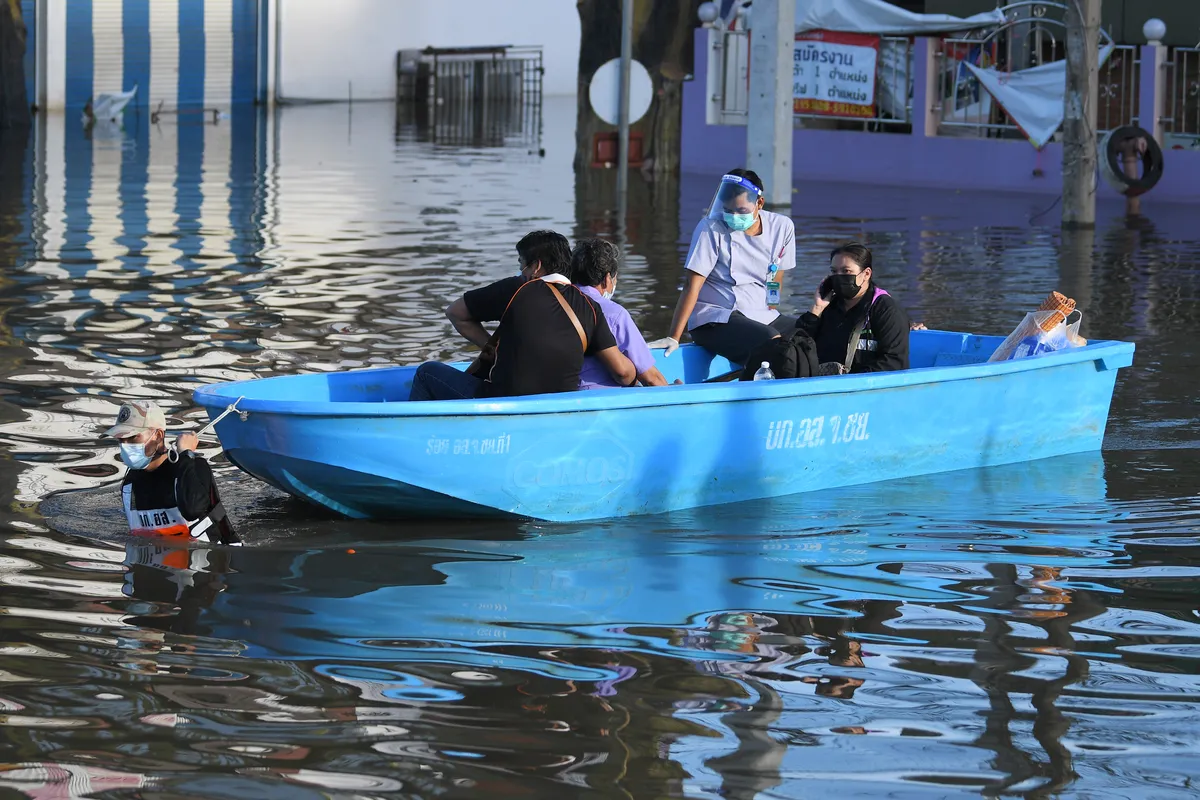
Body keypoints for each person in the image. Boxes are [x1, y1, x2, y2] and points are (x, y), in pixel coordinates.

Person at [408, 230, 636, 401]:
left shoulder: (517, 289)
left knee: (427, 372)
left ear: (536, 266)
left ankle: (418, 442)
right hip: (557, 410)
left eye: (521, 263)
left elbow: (455, 313)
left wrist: (491, 347)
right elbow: (622, 373)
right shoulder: (591, 308)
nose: (521, 271)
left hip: (501, 403)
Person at [649, 169, 796, 365]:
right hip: (715, 317)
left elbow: (777, 274)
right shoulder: (710, 227)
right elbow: (692, 285)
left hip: (761, 313)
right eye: (728, 210)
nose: (734, 216)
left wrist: (772, 304)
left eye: (741, 211)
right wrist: (674, 336)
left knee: (805, 332)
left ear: (759, 203)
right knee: (771, 341)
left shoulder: (782, 226)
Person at [105, 400, 239, 545]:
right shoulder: (129, 483)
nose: (125, 446)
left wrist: (186, 455)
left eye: (133, 437)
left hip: (207, 561)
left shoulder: (193, 467)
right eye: (121, 439)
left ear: (158, 435)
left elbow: (192, 510)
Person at [569, 237, 669, 389]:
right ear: (608, 278)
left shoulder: (554, 305)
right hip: (603, 397)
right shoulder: (613, 313)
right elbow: (651, 378)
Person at [797, 242, 910, 375]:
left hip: (864, 388)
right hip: (823, 384)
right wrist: (816, 309)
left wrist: (851, 380)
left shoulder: (886, 310)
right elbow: (797, 349)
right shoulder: (829, 307)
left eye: (846, 271)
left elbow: (894, 362)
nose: (839, 277)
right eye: (834, 271)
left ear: (866, 274)